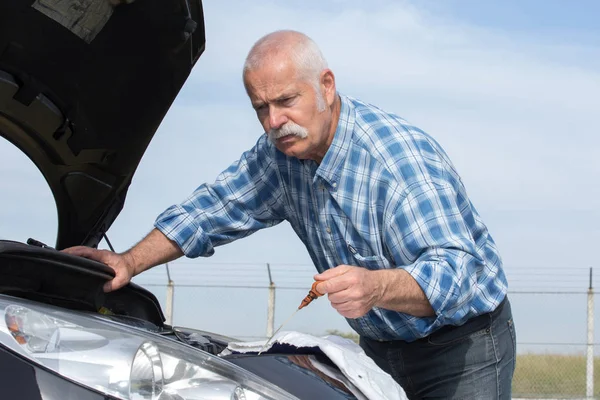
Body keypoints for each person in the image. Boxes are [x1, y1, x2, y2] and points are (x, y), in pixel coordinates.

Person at [64, 30, 516, 399]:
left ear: (326, 86)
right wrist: (128, 261)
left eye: (286, 100)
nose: (274, 121)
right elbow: (209, 210)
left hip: (463, 346)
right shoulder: (279, 157)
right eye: (261, 107)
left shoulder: (396, 163)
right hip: (381, 345)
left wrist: (375, 286)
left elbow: (459, 272)